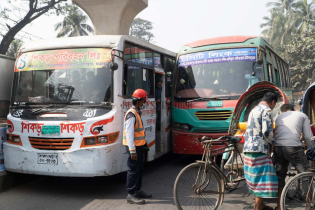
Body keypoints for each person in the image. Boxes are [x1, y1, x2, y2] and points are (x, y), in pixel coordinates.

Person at [273, 104, 313, 210]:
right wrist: (310, 149)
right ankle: (309, 206)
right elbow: (308, 136)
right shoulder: (302, 115)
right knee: (305, 175)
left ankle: (279, 206)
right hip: (293, 148)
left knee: (280, 176)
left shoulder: (278, 117)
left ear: (283, 111)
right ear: (293, 109)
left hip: (278, 148)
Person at [243, 92, 278, 210]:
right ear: (272, 102)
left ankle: (260, 205)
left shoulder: (253, 110)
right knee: (262, 180)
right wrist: (273, 143)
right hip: (260, 149)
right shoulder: (266, 110)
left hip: (248, 148)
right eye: (274, 104)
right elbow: (266, 132)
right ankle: (257, 208)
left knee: (255, 178)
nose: (273, 107)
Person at [123, 89, 152, 204]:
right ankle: (130, 194)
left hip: (139, 147)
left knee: (139, 169)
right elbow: (129, 134)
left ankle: (138, 190)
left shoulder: (137, 113)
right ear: (138, 101)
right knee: (133, 170)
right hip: (133, 148)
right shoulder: (131, 114)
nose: (144, 104)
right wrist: (132, 151)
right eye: (143, 102)